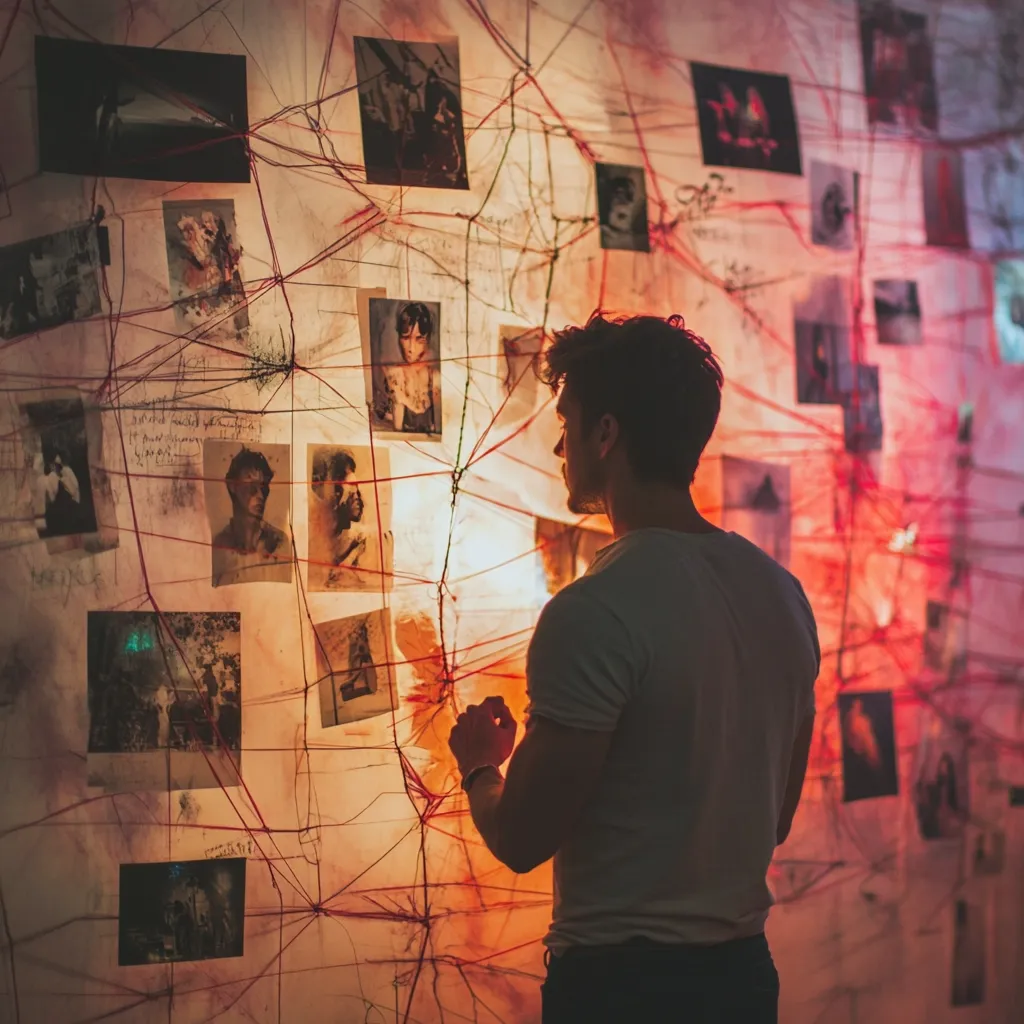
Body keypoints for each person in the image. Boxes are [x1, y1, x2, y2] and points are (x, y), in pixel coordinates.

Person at [447, 313, 820, 1023]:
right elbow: (773, 819)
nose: (560, 445)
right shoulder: (782, 595)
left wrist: (480, 766)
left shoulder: (594, 611)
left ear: (606, 434)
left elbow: (523, 838)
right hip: (743, 978)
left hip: (624, 989)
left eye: (569, 420)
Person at [211, 447, 291, 587]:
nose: (260, 495)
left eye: (263, 487)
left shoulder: (280, 543)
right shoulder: (219, 546)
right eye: (252, 486)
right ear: (232, 486)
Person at [382, 301, 440, 435]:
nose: (411, 348)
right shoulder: (397, 375)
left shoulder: (434, 376)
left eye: (419, 339)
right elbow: (398, 431)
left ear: (428, 338)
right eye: (406, 338)